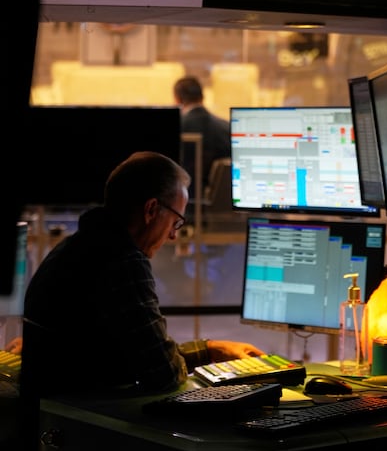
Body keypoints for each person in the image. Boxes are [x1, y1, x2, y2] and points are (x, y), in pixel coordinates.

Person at [21, 151, 265, 398]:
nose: (173, 235)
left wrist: (209, 349)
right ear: (151, 210)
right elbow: (163, 375)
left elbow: (140, 353)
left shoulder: (78, 246)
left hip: (53, 409)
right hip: (83, 418)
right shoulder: (123, 260)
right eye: (176, 222)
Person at [174, 76, 231, 189]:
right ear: (202, 97)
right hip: (219, 200)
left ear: (177, 99)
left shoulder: (176, 128)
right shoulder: (226, 127)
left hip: (182, 196)